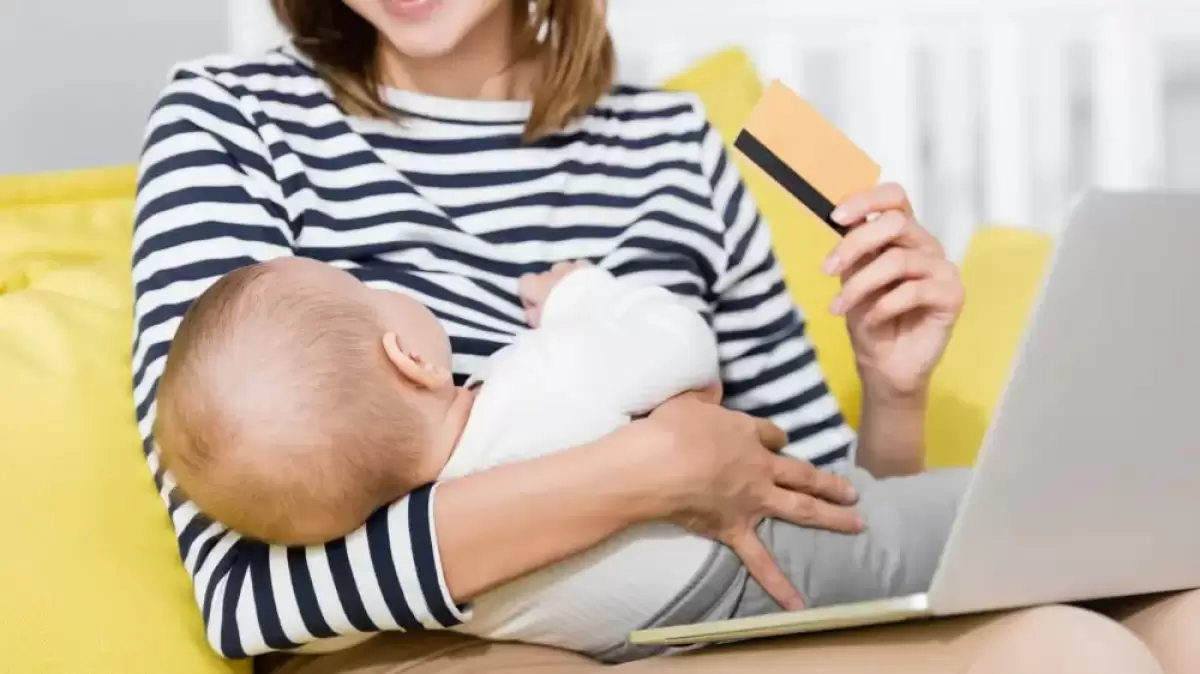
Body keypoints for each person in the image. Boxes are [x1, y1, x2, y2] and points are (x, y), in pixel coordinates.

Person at [128, 0, 1199, 671]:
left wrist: (895, 386)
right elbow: (249, 597)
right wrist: (646, 469)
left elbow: (820, 520)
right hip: (444, 647)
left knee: (1137, 630)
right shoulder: (231, 116)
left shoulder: (670, 140)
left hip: (720, 612)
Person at [153, 254, 968, 662]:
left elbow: (299, 631)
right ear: (412, 358)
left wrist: (894, 395)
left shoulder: (429, 587)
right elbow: (682, 346)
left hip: (668, 635)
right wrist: (584, 295)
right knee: (961, 529)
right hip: (766, 558)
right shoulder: (539, 373)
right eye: (366, 287)